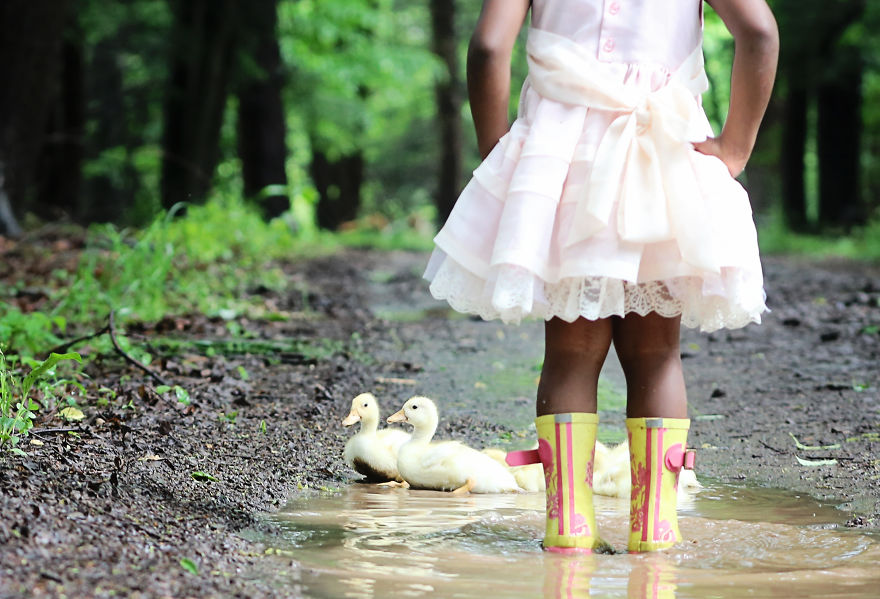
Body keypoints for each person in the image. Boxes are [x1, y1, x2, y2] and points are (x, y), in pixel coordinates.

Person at [423, 0, 779, 553]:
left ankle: (567, 528)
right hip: (662, 156)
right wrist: (734, 148)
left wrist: (497, 147)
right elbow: (758, 30)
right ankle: (656, 530)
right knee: (656, 354)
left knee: (570, 352)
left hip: (559, 162)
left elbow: (490, 46)